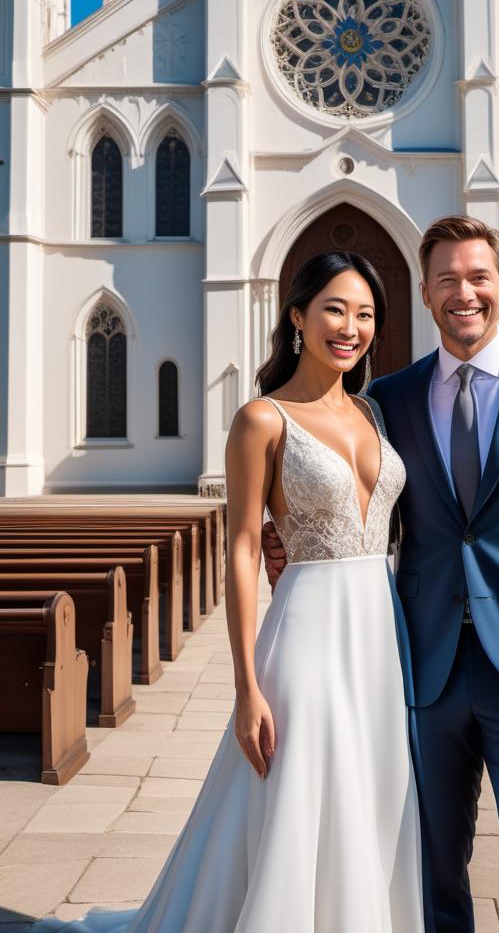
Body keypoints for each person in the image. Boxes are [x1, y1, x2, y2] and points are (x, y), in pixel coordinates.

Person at [264, 215, 499, 933]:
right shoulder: (388, 401)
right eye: (446, 281)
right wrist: (289, 540)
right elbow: (353, 499)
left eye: (477, 277)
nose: (464, 293)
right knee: (428, 872)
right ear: (425, 295)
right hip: (419, 669)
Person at [42, 251, 423, 932]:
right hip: (307, 632)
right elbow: (244, 547)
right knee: (300, 790)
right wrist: (246, 686)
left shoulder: (374, 412)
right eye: (335, 308)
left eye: (366, 314)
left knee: (369, 791)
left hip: (379, 638)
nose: (351, 326)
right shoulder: (262, 420)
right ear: (297, 316)